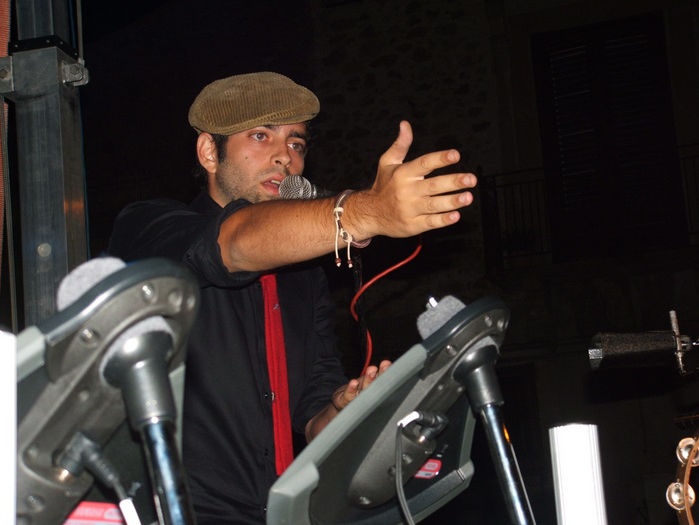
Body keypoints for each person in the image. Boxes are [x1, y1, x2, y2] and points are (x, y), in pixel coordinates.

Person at [107, 71, 477, 524]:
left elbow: (315, 419)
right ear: (209, 152)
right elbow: (235, 244)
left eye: (296, 143)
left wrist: (346, 408)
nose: (285, 156)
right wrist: (363, 212)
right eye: (261, 136)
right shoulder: (150, 227)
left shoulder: (304, 278)